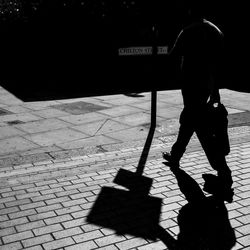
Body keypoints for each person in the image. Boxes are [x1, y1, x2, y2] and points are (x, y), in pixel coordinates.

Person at [162, 4, 233, 199]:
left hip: (191, 85)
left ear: (190, 12)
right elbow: (217, 64)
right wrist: (215, 90)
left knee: (200, 128)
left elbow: (173, 56)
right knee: (189, 121)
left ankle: (223, 172)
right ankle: (176, 156)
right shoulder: (215, 31)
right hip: (207, 86)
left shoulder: (188, 31)